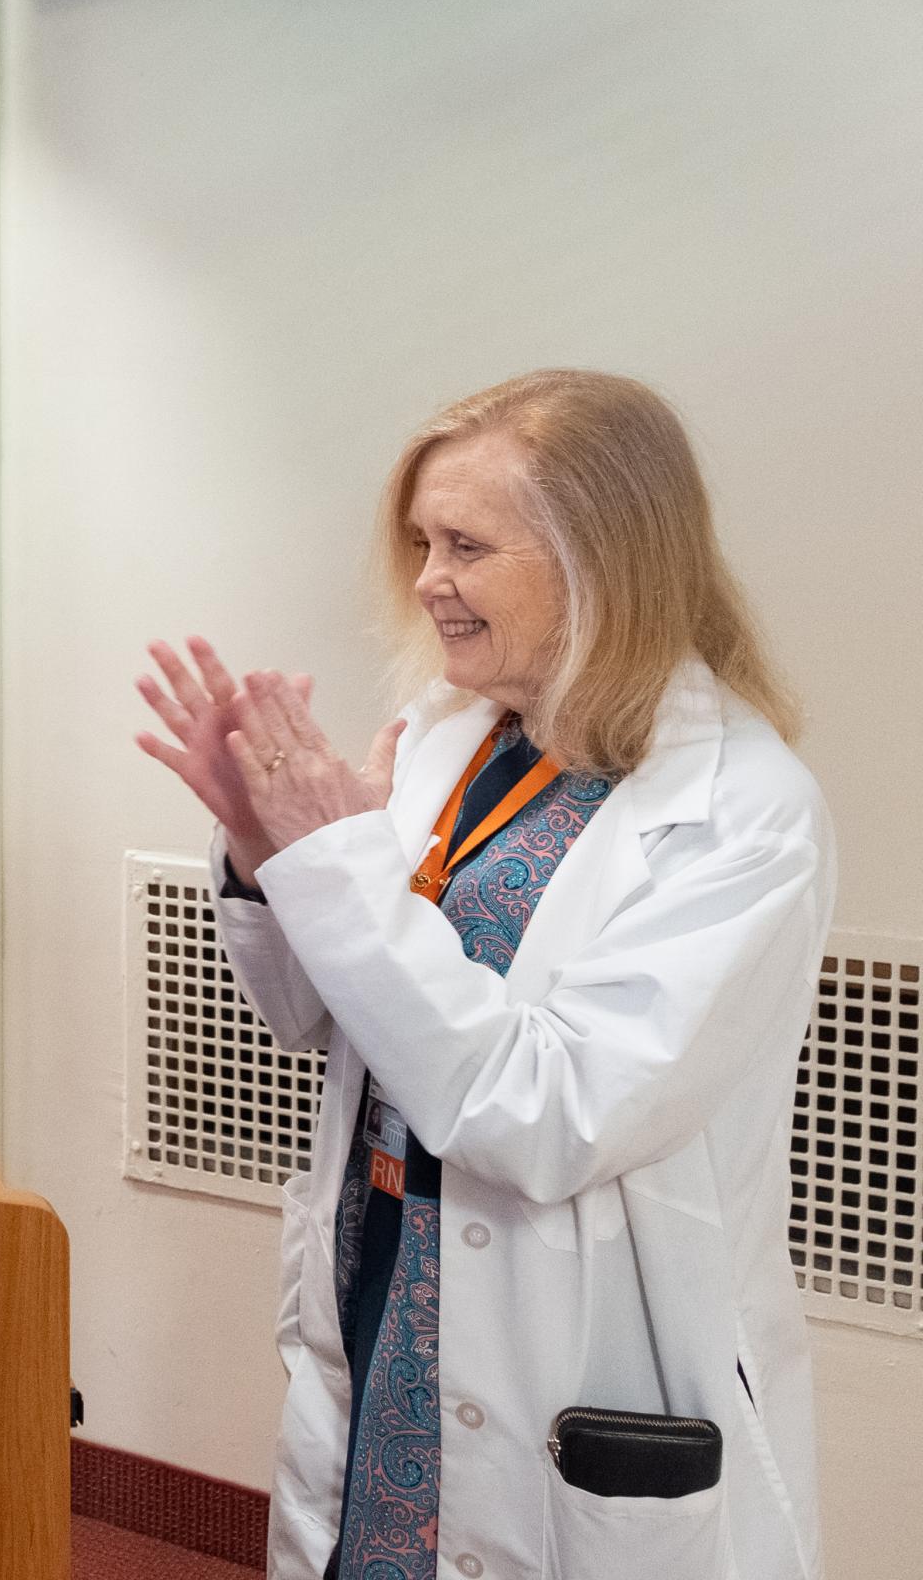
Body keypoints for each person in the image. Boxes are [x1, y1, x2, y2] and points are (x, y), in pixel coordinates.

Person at [135, 370, 833, 1580]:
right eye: (420, 542)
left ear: (601, 561)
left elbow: (550, 1112)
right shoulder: (457, 741)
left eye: (465, 545)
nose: (426, 582)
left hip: (573, 1341)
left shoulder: (744, 817)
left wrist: (335, 860)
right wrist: (267, 852)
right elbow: (318, 1013)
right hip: (391, 1274)